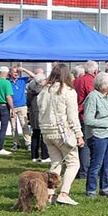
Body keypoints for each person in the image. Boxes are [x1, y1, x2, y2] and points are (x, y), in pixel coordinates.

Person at [37, 64, 84, 205]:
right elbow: (72, 116)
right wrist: (78, 134)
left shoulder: (44, 91)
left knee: (56, 163)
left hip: (46, 131)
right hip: (62, 132)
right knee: (73, 163)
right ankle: (64, 193)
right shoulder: (68, 91)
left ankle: (50, 194)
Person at [83, 72, 108, 197]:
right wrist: (107, 123)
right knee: (96, 163)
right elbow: (88, 119)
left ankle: (104, 188)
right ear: (103, 84)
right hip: (97, 135)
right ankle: (91, 190)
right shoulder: (93, 97)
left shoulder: (106, 96)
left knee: (107, 162)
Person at [26, 71, 48, 162]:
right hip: (42, 112)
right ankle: (44, 156)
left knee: (35, 134)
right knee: (43, 135)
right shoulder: (45, 90)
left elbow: (28, 101)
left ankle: (34, 155)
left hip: (33, 112)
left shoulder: (31, 88)